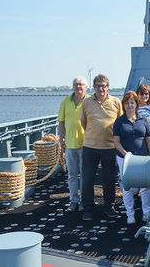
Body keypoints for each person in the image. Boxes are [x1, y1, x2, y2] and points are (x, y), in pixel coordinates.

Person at [80, 74, 123, 221]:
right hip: (90, 147)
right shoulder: (86, 102)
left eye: (104, 85)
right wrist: (93, 134)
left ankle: (109, 207)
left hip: (109, 147)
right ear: (94, 87)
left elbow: (120, 124)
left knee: (109, 180)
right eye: (98, 86)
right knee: (87, 180)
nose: (101, 88)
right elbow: (83, 122)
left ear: (108, 87)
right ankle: (88, 208)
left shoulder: (116, 102)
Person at [113, 91, 150, 224]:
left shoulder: (143, 120)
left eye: (132, 102)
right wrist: (126, 155)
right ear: (123, 105)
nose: (130, 105)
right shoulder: (119, 122)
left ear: (136, 104)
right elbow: (116, 142)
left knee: (145, 186)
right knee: (127, 187)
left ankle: (146, 213)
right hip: (125, 159)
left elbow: (148, 139)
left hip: (142, 158)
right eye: (127, 103)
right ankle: (130, 214)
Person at [58, 76, 89, 212]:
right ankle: (73, 200)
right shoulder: (66, 102)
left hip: (86, 144)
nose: (79, 87)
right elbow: (61, 122)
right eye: (76, 85)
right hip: (70, 144)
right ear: (73, 87)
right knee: (72, 175)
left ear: (86, 87)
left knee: (84, 175)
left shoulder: (90, 101)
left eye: (81, 85)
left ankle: (83, 200)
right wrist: (61, 139)